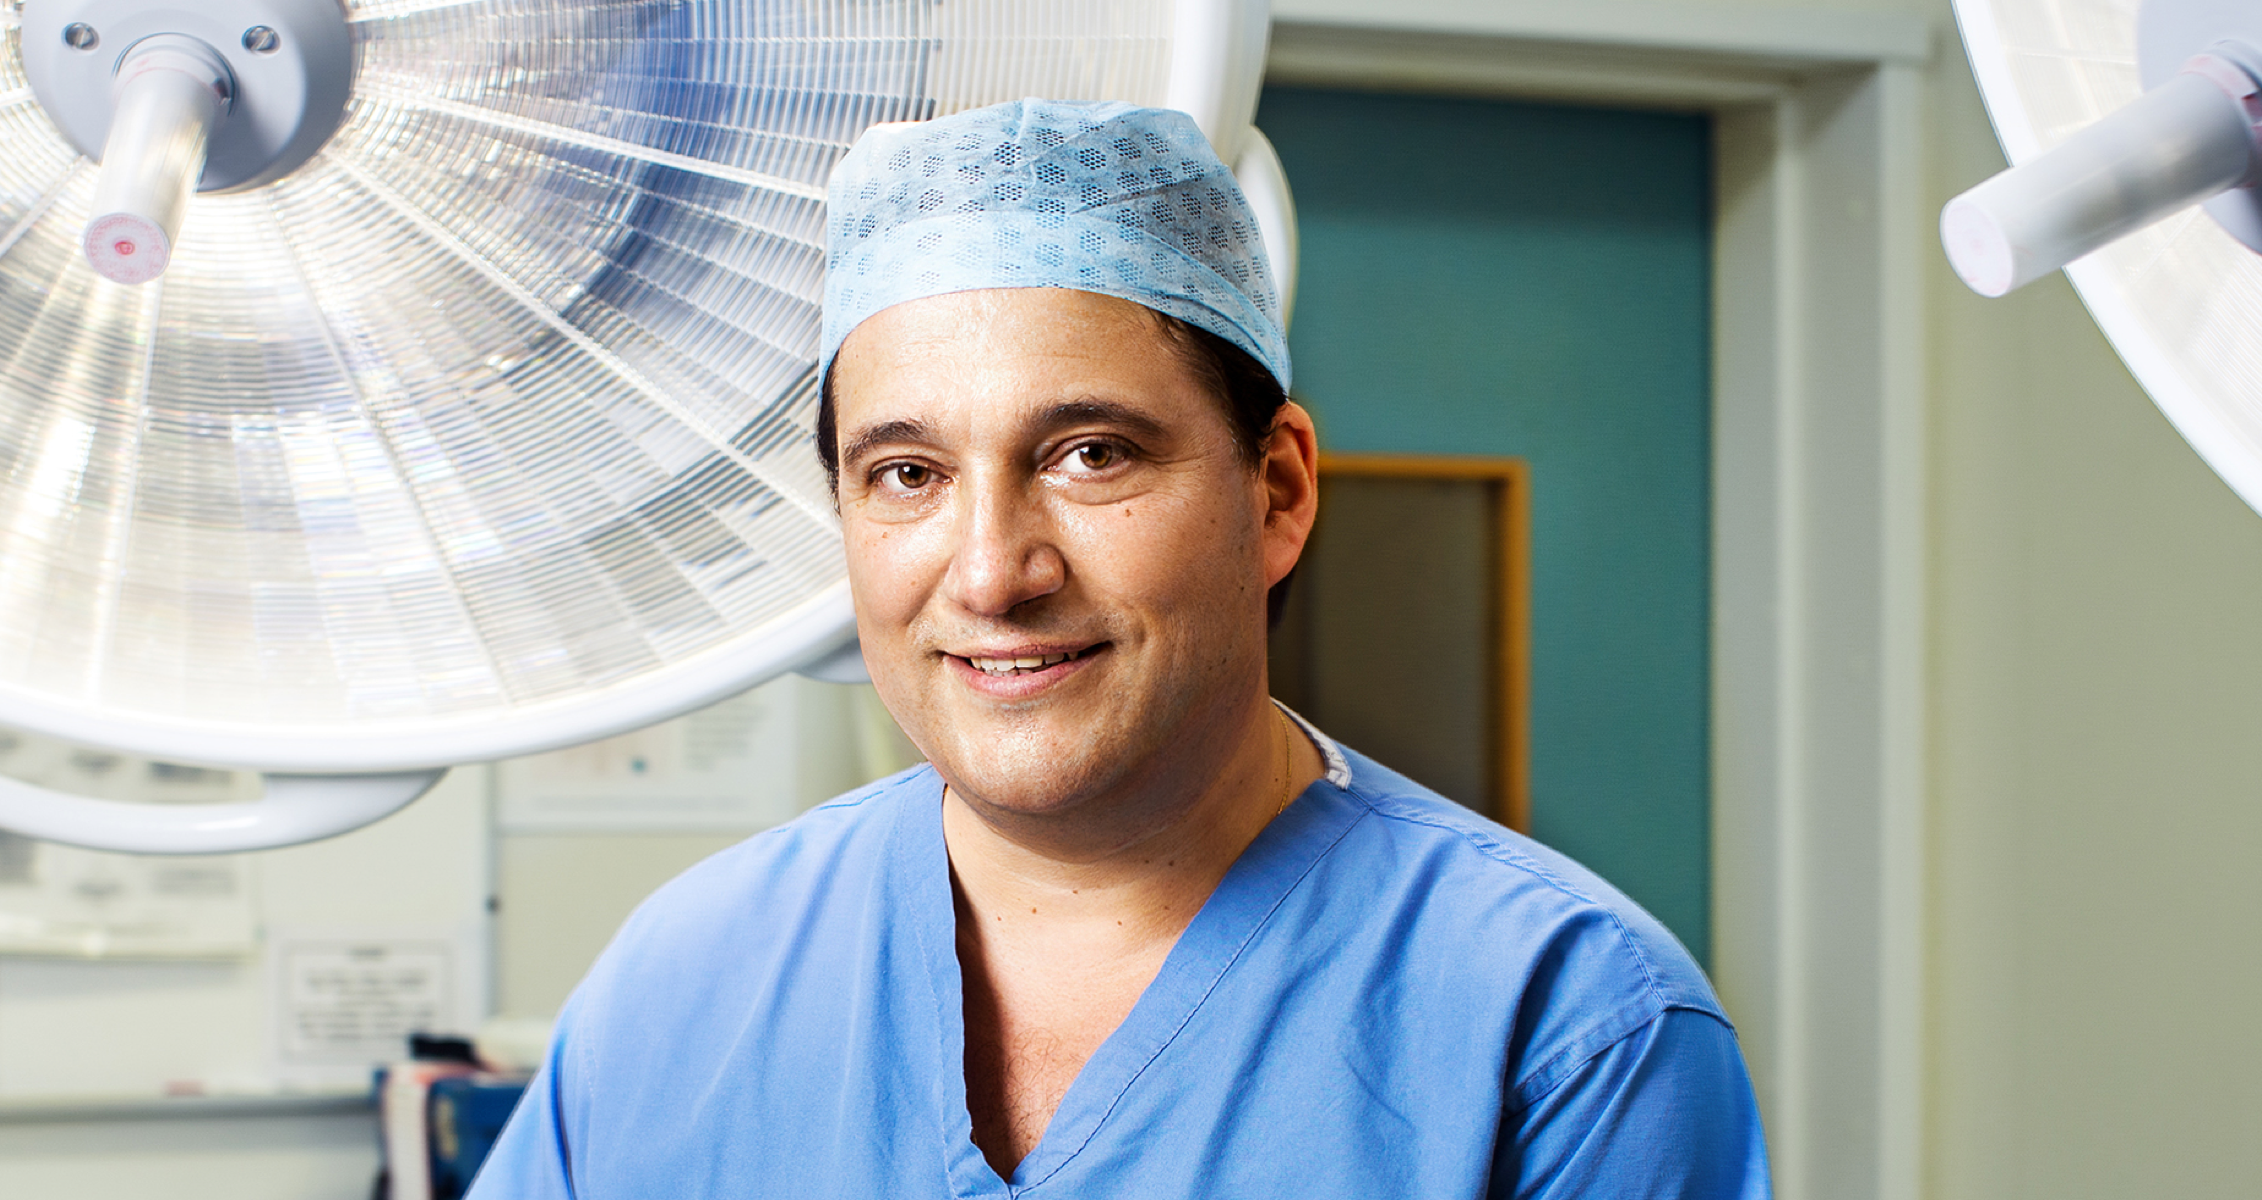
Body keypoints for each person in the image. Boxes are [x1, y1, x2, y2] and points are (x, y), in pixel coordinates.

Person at [469, 98, 1770, 1199]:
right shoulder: (685, 983)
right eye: (908, 473)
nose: (992, 573)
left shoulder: (1566, 1027)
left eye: (1091, 454)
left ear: (1278, 490)